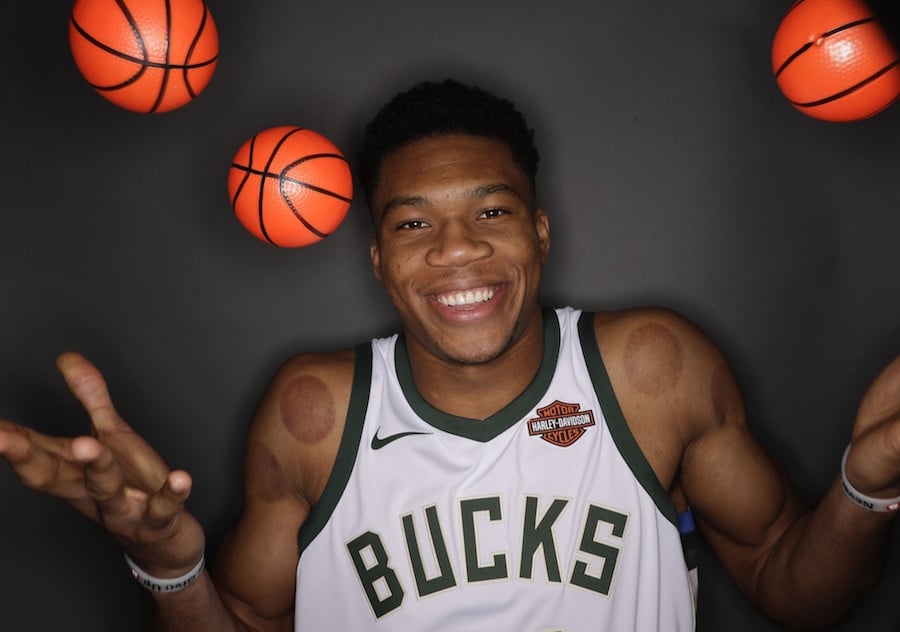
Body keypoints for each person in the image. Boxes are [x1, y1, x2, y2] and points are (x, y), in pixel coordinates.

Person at [1, 78, 899, 631]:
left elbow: (792, 588)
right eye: (413, 224)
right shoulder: (316, 412)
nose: (457, 248)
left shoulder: (649, 371)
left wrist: (866, 490)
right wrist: (168, 565)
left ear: (540, 232)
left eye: (491, 212)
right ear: (379, 261)